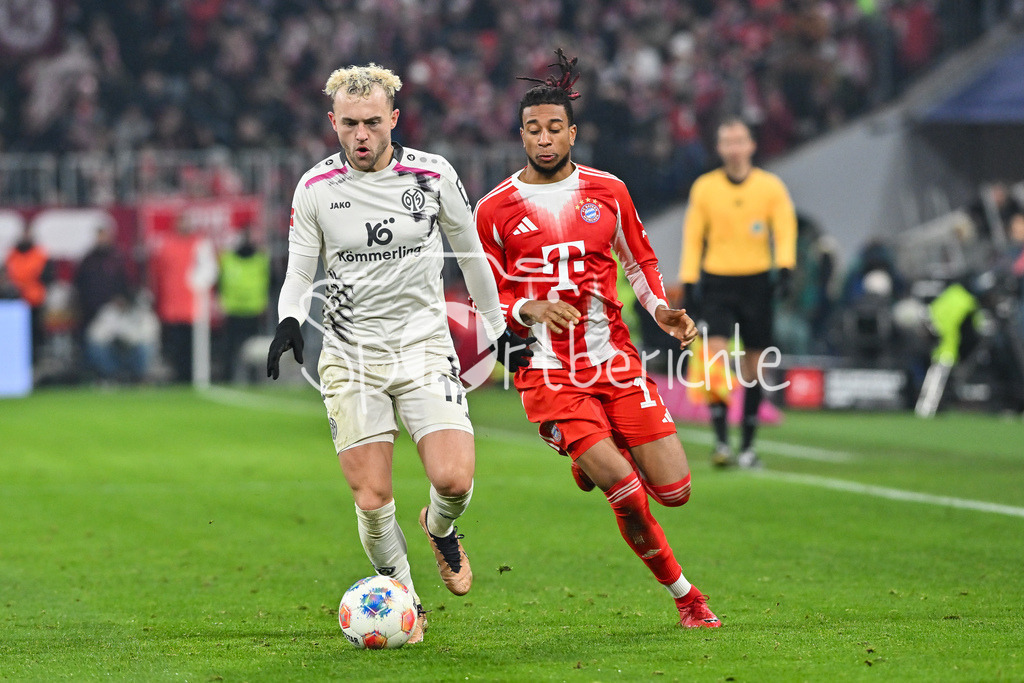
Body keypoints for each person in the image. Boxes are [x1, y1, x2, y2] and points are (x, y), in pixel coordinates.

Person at [266, 63, 531, 645]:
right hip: (350, 353)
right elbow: (299, 269)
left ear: (394, 119)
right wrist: (289, 320)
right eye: (349, 124)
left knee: (454, 479)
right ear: (332, 122)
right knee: (372, 494)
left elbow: (473, 257)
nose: (361, 135)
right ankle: (405, 598)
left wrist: (498, 329)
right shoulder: (314, 189)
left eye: (372, 123)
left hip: (422, 346)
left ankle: (440, 528)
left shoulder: (433, 176)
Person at [475, 50, 721, 629]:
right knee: (627, 491)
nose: (543, 138)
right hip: (548, 372)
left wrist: (661, 308)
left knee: (676, 491)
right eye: (533, 129)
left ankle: (588, 454)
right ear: (521, 135)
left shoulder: (609, 191)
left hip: (614, 359)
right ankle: (687, 597)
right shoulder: (492, 210)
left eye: (554, 127)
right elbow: (485, 298)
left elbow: (639, 261)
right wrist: (525, 307)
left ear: (572, 132)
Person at [678, 117, 797, 469]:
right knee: (715, 359)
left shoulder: (770, 187)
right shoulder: (705, 188)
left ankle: (747, 446)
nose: (733, 147)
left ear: (750, 145)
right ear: (719, 148)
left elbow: (785, 227)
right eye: (726, 141)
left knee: (755, 366)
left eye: (739, 140)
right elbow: (693, 234)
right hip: (717, 281)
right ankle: (721, 442)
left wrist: (786, 267)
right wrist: (688, 279)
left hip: (757, 281)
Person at [218, 228, 270, 382]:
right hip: (237, 310)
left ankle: (248, 378)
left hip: (250, 310)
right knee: (233, 349)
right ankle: (231, 377)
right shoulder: (259, 259)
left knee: (248, 350)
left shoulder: (259, 260)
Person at [84, 289, 160, 383]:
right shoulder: (108, 312)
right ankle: (111, 376)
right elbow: (93, 335)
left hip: (134, 353)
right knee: (95, 348)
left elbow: (150, 336)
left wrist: (129, 340)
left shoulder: (143, 314)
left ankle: (139, 378)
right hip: (113, 353)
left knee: (145, 348)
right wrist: (114, 339)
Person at [4, 227, 53, 360]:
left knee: (34, 335)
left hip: (35, 302)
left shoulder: (40, 254)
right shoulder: (12, 255)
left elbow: (48, 277)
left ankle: (34, 362)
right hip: (13, 303)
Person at [75, 221, 128, 342]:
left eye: (104, 235)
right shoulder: (88, 259)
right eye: (99, 236)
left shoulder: (116, 258)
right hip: (90, 307)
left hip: (111, 308)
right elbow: (80, 282)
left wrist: (121, 299)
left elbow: (123, 282)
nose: (101, 239)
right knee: (91, 338)